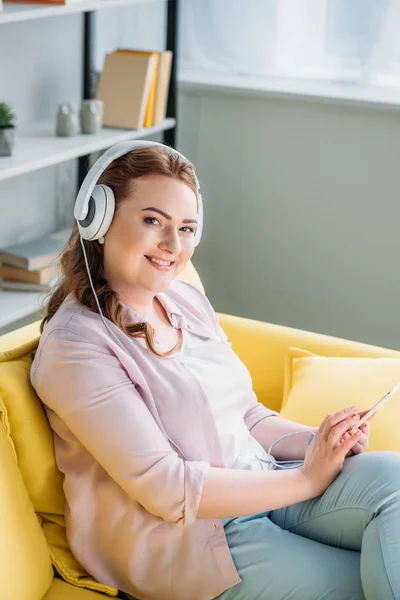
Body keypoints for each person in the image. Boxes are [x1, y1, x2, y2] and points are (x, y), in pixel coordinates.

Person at [30, 141, 400, 600]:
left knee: (396, 483)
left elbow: (246, 414)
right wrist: (306, 479)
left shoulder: (182, 298)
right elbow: (168, 490)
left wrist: (320, 444)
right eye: (152, 221)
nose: (173, 245)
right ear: (99, 221)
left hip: (264, 479)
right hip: (191, 540)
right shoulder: (76, 348)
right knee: (360, 584)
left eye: (186, 228)